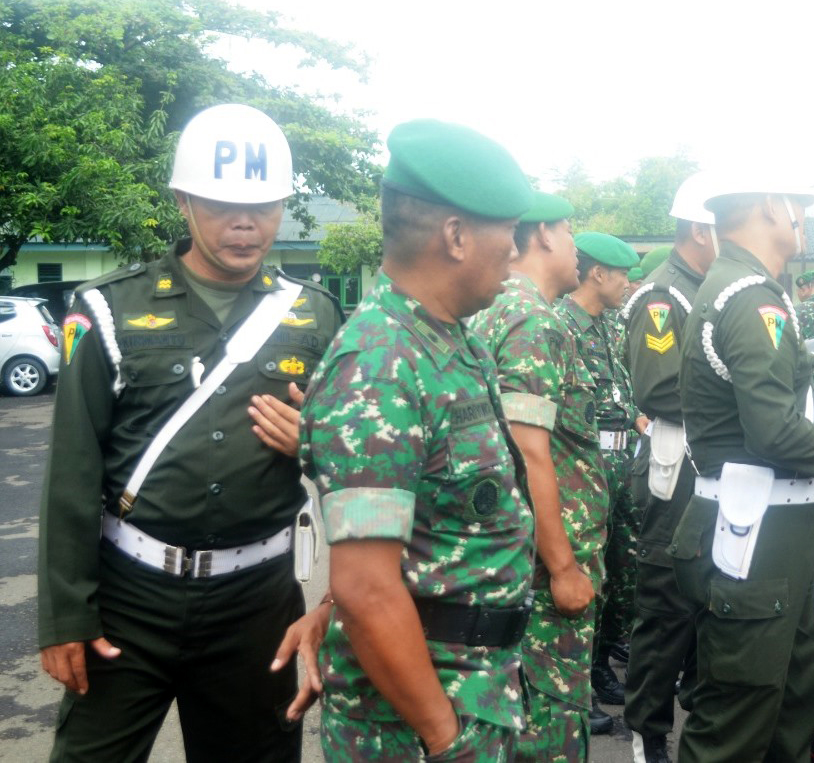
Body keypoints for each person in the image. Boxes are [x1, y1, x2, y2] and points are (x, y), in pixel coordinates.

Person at [38, 103, 343, 762]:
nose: (245, 222)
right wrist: (65, 614)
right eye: (222, 203)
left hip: (258, 604)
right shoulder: (108, 308)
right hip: (128, 601)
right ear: (182, 199)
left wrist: (313, 440)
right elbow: (72, 470)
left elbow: (360, 457)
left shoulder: (315, 316)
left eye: (263, 205)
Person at [298, 120, 536, 761]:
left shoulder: (450, 339)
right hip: (416, 722)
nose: (516, 251)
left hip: (477, 685)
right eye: (508, 232)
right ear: (456, 236)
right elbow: (367, 587)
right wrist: (444, 738)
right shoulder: (380, 364)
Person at [668, 182, 814, 761]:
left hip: (772, 535)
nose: (802, 221)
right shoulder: (750, 298)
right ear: (772, 206)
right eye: (798, 208)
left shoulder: (752, 289)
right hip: (756, 538)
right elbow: (770, 431)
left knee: (787, 712)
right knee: (736, 726)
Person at [469, 192, 611, 760]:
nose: (577, 248)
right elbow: (529, 454)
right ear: (546, 234)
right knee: (547, 720)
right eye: (572, 233)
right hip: (544, 565)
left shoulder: (494, 306)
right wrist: (563, 568)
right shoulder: (532, 319)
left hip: (507, 555)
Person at [620, 172, 719, 763]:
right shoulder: (665, 297)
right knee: (665, 604)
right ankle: (647, 730)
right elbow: (657, 389)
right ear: (700, 230)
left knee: (710, 595)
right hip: (676, 465)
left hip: (713, 462)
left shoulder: (708, 287)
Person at [555, 232, 645, 711]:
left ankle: (601, 663)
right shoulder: (559, 325)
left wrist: (637, 418)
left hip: (623, 460)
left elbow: (620, 391)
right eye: (623, 274)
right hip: (581, 466)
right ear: (597, 274)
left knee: (623, 571)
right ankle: (575, 681)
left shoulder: (611, 325)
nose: (628, 284)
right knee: (582, 569)